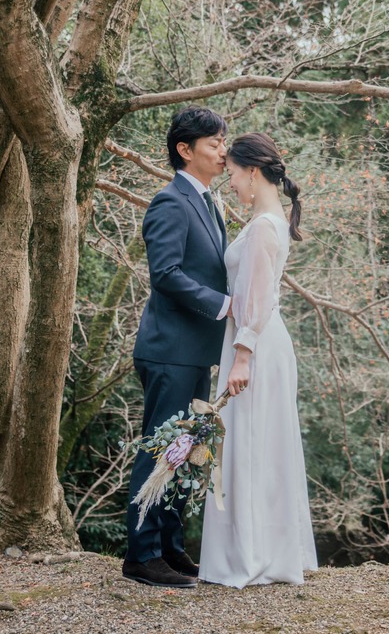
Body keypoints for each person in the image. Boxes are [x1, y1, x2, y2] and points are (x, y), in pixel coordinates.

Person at [199, 132, 318, 588]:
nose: (229, 182)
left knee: (249, 443)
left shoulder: (265, 226)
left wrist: (242, 357)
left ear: (251, 171)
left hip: (257, 346)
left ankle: (251, 557)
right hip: (255, 342)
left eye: (231, 174)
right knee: (252, 443)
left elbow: (258, 298)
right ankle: (256, 551)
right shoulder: (266, 220)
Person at [123, 106, 231, 589]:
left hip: (194, 352)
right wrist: (223, 305)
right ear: (185, 150)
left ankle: (170, 548)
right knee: (161, 450)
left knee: (187, 451)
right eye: (214, 143)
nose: (223, 151)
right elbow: (165, 274)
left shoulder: (208, 202)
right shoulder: (170, 201)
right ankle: (141, 556)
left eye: (223, 142)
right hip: (169, 350)